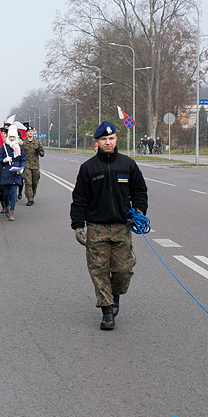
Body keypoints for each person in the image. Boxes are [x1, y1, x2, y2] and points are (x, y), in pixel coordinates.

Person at [70, 121, 148, 331]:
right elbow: (79, 199)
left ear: (116, 140)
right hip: (97, 227)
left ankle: (115, 295)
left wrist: (139, 211)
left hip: (122, 227)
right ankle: (106, 311)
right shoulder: (88, 168)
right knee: (99, 270)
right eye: (104, 139)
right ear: (97, 142)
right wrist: (78, 226)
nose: (108, 142)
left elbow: (140, 191)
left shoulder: (128, 165)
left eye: (111, 139)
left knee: (123, 270)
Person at [0, 127, 25, 221]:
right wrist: (4, 160)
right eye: (10, 136)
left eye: (13, 136)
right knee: (6, 193)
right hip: (6, 172)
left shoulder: (19, 147)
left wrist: (22, 168)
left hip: (15, 173)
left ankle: (12, 211)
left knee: (13, 192)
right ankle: (6, 206)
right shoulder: (3, 147)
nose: (12, 138)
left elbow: (22, 159)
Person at [21, 124, 44, 206]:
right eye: (28, 131)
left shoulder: (37, 142)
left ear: (33, 133)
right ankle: (29, 198)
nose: (30, 133)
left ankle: (33, 194)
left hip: (35, 165)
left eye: (31, 131)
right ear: (26, 133)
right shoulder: (23, 143)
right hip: (26, 164)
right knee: (28, 181)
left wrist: (39, 151)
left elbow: (42, 153)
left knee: (35, 181)